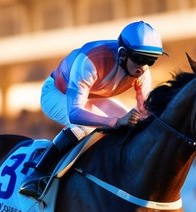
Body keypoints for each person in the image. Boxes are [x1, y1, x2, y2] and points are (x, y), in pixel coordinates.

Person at [19, 20, 165, 199]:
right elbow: (74, 113)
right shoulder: (91, 61)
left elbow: (143, 113)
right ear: (123, 54)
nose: (143, 67)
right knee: (85, 128)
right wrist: (115, 121)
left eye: (151, 60)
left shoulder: (143, 73)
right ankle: (37, 175)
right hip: (56, 93)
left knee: (131, 126)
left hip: (94, 96)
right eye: (140, 58)